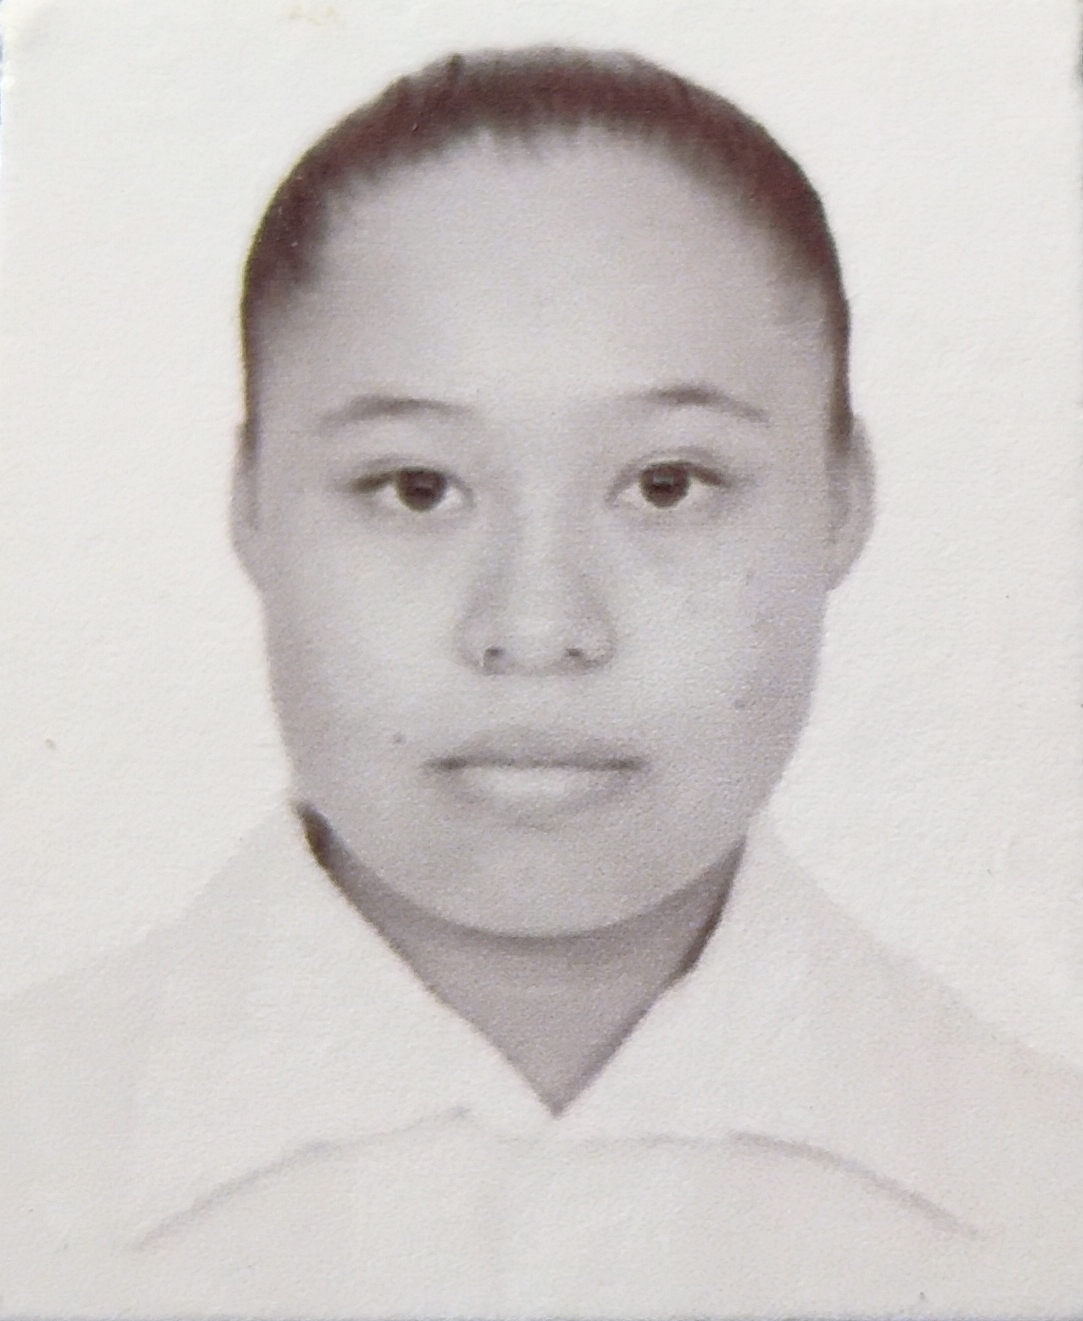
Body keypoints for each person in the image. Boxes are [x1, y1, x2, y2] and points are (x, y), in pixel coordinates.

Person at [2, 47, 1082, 1319]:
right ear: (251, 505)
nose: (538, 626)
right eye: (416, 487)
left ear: (843, 502)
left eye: (667, 485)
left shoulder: (1044, 1199)